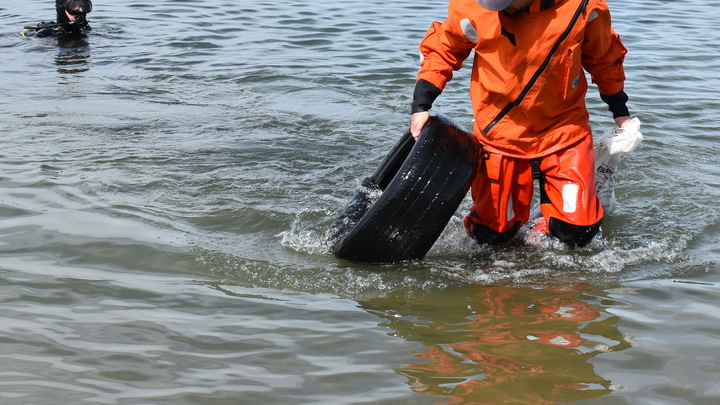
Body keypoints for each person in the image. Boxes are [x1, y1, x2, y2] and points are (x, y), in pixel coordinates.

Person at [410, 0, 635, 248]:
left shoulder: (585, 7)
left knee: (577, 234)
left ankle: (550, 221)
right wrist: (422, 105)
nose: (499, 8)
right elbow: (445, 49)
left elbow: (604, 58)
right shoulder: (472, 6)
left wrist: (620, 113)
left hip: (563, 130)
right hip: (499, 132)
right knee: (490, 237)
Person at [21, 0, 92, 39]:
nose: (80, 11)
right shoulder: (47, 33)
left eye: (84, 6)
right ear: (62, 8)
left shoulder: (85, 29)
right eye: (74, 6)